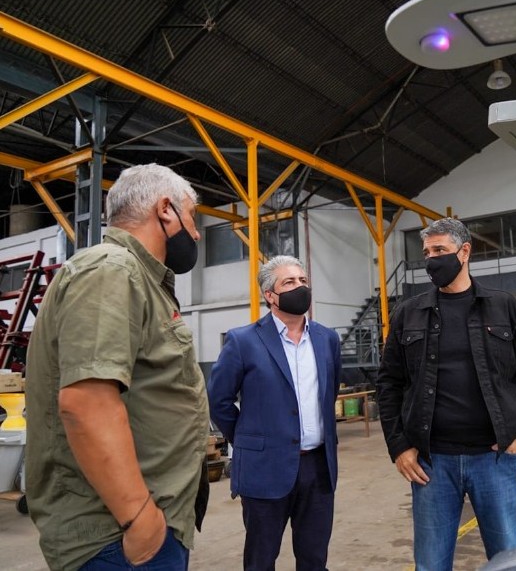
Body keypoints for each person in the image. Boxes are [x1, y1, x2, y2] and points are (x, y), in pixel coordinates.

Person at [25, 163, 209, 570]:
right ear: (166, 210)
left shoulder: (136, 278)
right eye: (192, 219)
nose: (195, 234)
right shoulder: (112, 270)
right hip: (118, 537)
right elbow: (87, 405)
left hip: (139, 528)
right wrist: (140, 520)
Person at [377, 217, 516, 570]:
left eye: (440, 250)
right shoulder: (409, 313)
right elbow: (389, 383)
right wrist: (399, 447)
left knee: (508, 560)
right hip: (431, 462)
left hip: (495, 460)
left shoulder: (503, 306)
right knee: (431, 562)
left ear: (464, 251)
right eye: (426, 252)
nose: (431, 260)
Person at [207, 256, 342, 571]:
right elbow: (219, 400)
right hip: (265, 468)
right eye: (290, 282)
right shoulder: (243, 341)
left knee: (314, 559)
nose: (300, 287)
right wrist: (248, 438)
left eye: (303, 280)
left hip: (317, 468)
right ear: (270, 295)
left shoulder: (327, 339)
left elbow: (329, 391)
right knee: (261, 559)